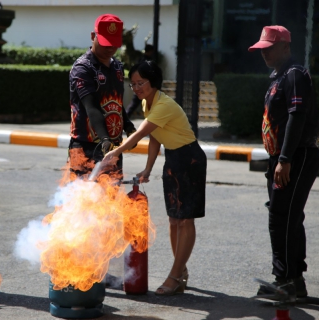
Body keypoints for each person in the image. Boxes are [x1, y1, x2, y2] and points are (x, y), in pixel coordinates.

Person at [104, 60, 207, 296]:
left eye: (141, 83)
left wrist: (116, 151)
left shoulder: (164, 105)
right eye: (134, 84)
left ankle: (175, 275)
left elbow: (140, 133)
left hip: (190, 159)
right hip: (173, 159)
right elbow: (155, 137)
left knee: (186, 220)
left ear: (154, 82)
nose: (137, 88)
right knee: (173, 219)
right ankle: (181, 271)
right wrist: (148, 169)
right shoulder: (147, 103)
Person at [248, 25, 319, 300]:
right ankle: (292, 279)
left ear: (285, 47)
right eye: (262, 49)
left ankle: (287, 281)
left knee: (283, 218)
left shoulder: (294, 75)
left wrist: (286, 159)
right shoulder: (278, 76)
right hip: (280, 158)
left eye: (269, 48)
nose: (264, 53)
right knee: (286, 216)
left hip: (296, 156)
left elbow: (297, 116)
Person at [68, 13, 136, 180]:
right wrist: (104, 139)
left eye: (114, 44)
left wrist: (129, 127)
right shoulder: (83, 68)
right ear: (93, 36)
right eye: (106, 43)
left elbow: (117, 105)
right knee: (83, 200)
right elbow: (91, 107)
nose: (110, 48)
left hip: (112, 147)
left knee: (110, 201)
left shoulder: (118, 67)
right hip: (84, 146)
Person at [126, 44, 155, 118]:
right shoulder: (148, 61)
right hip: (144, 85)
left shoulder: (140, 59)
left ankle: (125, 118)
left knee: (134, 104)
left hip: (139, 84)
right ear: (150, 51)